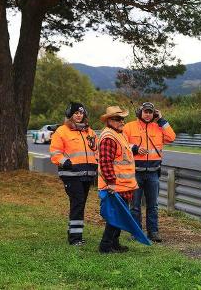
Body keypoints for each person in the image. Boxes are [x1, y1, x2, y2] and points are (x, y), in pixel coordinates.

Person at [123, 102, 176, 242]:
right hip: (135, 172)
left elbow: (171, 137)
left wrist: (162, 120)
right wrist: (134, 148)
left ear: (154, 114)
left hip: (153, 172)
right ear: (140, 112)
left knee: (153, 205)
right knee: (135, 206)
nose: (148, 114)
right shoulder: (129, 126)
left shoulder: (158, 127)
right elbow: (121, 143)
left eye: (150, 112)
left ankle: (153, 232)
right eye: (145, 111)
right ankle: (136, 232)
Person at [50, 102, 98, 246]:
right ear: (70, 115)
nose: (79, 115)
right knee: (77, 202)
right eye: (76, 113)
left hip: (87, 174)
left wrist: (97, 163)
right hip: (71, 174)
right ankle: (75, 239)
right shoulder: (62, 131)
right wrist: (66, 162)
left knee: (80, 204)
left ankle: (76, 233)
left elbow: (96, 150)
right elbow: (55, 153)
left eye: (81, 113)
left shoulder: (90, 132)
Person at [98, 106, 139, 253]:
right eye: (117, 119)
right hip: (114, 186)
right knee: (114, 217)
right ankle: (105, 246)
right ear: (109, 120)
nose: (122, 121)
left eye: (122, 118)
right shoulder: (109, 137)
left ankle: (114, 244)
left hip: (123, 185)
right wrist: (111, 183)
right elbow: (105, 162)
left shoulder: (119, 134)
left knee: (119, 216)